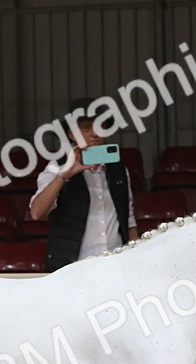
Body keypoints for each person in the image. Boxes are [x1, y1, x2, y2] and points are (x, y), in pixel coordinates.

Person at [29, 99, 138, 271]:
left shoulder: (119, 170)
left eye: (101, 127)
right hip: (73, 267)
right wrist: (64, 176)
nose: (95, 133)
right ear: (72, 134)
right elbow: (37, 212)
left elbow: (128, 220)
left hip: (116, 264)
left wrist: (135, 259)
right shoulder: (57, 167)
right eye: (87, 127)